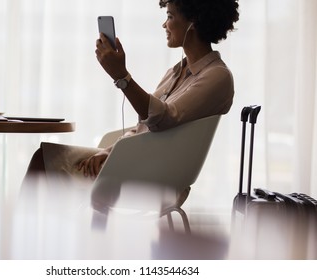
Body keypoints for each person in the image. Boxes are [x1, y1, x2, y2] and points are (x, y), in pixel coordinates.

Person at [23, 0, 239, 208]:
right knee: (44, 157)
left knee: (44, 164)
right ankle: (44, 235)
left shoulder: (217, 76)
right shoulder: (176, 72)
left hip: (156, 174)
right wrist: (110, 151)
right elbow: (144, 127)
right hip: (133, 160)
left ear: (194, 22)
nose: (164, 24)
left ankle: (28, 236)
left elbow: (163, 119)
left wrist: (122, 77)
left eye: (170, 16)